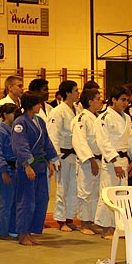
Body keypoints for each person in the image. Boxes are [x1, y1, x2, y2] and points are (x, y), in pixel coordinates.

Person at [11, 91, 59, 246]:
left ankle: (30, 232)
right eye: (38, 103)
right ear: (31, 105)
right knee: (26, 201)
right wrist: (26, 165)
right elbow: (20, 146)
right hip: (27, 168)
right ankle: (22, 234)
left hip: (40, 165)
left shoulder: (39, 121)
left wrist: (51, 161)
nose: (41, 106)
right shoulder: (20, 122)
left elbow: (47, 143)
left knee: (40, 200)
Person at [94, 85, 132, 239]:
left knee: (122, 194)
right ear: (113, 100)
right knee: (108, 192)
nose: (125, 103)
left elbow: (131, 139)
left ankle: (118, 226)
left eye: (127, 100)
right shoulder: (104, 117)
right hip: (111, 161)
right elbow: (103, 142)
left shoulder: (127, 118)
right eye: (122, 99)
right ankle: (106, 227)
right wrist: (115, 162)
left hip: (124, 159)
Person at [47, 80, 80, 232]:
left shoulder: (77, 109)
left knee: (74, 188)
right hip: (63, 155)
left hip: (75, 154)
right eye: (75, 90)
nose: (77, 93)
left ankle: (70, 217)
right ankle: (61, 220)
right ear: (67, 93)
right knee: (62, 188)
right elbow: (53, 135)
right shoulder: (57, 111)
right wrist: (54, 158)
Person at [71, 88, 103, 236]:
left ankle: (91, 222)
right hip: (87, 161)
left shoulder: (97, 118)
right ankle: (83, 223)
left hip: (98, 158)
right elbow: (80, 141)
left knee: (96, 193)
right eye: (98, 98)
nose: (100, 101)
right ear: (90, 102)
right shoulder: (82, 118)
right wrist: (91, 160)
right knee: (85, 192)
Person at [0, 103, 19, 240]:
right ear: (5, 114)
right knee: (5, 202)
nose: (16, 115)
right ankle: (1, 231)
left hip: (16, 169)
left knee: (15, 202)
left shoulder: (16, 130)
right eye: (13, 112)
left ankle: (13, 229)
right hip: (5, 169)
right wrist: (3, 171)